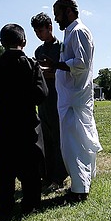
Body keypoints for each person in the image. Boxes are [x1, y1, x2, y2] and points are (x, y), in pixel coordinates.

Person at [0, 24, 48, 217]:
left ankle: (6, 204)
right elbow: (42, 93)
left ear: (2, 42)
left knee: (5, 168)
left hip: (5, 122)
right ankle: (31, 204)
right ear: (24, 42)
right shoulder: (32, 64)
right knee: (30, 169)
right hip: (27, 122)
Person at [42, 0, 102, 203]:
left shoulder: (78, 31)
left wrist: (56, 65)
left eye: (58, 13)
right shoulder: (70, 33)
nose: (56, 19)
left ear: (68, 11)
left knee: (75, 144)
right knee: (73, 143)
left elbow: (81, 63)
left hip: (75, 99)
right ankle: (80, 184)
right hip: (69, 97)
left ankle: (80, 189)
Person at [31, 12, 68, 193]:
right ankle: (47, 175)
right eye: (36, 31)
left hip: (58, 97)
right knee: (45, 138)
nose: (39, 34)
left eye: (41, 30)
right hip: (43, 99)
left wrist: (49, 72)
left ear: (50, 28)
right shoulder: (38, 51)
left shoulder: (62, 47)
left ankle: (59, 177)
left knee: (58, 138)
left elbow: (66, 72)